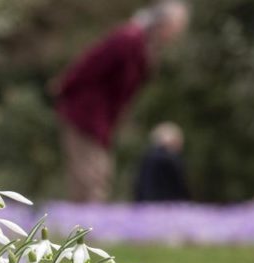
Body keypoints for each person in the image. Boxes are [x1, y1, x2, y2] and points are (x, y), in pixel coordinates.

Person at [52, 1, 189, 202]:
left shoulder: (144, 46)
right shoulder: (129, 38)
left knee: (94, 175)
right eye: (175, 28)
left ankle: (83, 227)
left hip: (100, 119)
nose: (175, 35)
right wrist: (64, 88)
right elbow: (91, 63)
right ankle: (88, 228)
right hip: (86, 115)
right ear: (163, 23)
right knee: (93, 175)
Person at [135, 122, 189, 201]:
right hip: (166, 205)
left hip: (146, 204)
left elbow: (139, 185)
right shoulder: (171, 159)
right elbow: (180, 187)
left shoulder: (146, 157)